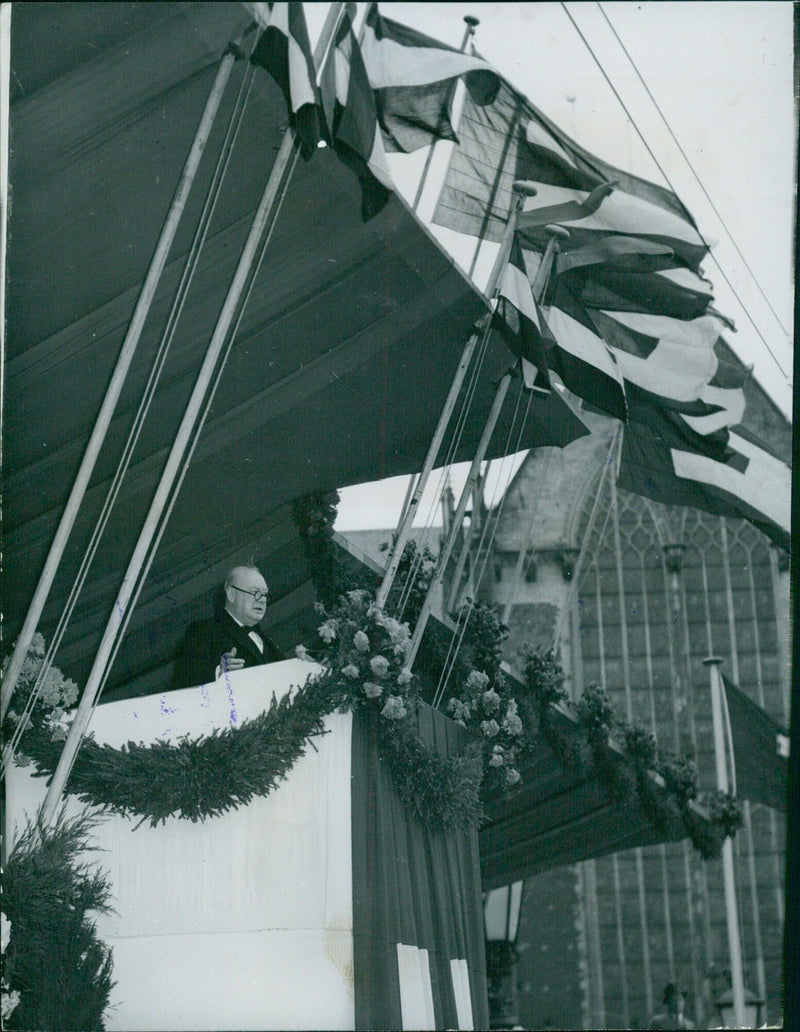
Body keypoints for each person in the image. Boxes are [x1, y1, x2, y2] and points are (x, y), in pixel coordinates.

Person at [171, 565, 283, 689]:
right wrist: (219, 673)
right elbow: (183, 682)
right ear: (231, 594)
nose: (262, 600)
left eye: (264, 594)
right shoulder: (203, 630)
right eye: (255, 592)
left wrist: (302, 663)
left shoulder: (264, 638)